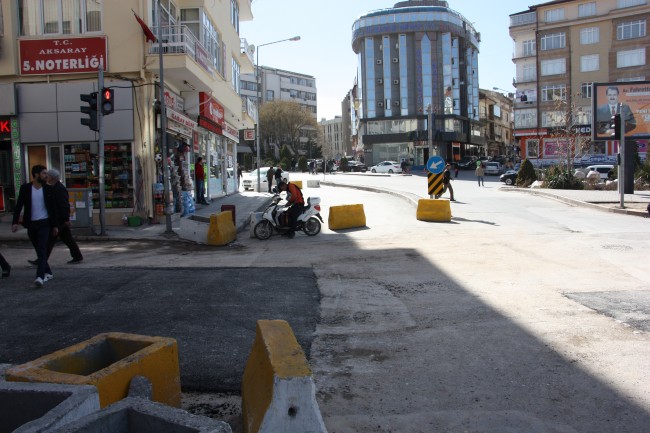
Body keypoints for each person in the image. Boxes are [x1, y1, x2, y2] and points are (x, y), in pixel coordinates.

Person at [12, 165, 58, 287]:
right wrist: (15, 222)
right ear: (37, 175)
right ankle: (48, 272)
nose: (46, 176)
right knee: (39, 250)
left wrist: (55, 226)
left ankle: (40, 276)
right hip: (31, 224)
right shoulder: (26, 188)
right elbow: (19, 206)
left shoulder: (49, 189)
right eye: (44, 173)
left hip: (45, 224)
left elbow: (53, 209)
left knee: (42, 249)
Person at [27, 169, 83, 265]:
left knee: (49, 240)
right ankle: (77, 256)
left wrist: (66, 219)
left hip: (59, 219)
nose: (46, 177)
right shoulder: (54, 187)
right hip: (60, 218)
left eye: (47, 176)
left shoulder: (59, 188)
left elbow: (64, 205)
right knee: (67, 239)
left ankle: (41, 260)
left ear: (51, 178)